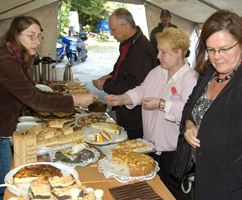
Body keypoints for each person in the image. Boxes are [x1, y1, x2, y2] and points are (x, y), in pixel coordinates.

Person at [0, 16, 98, 200]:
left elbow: (35, 91)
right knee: (8, 187)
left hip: (5, 129)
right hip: (1, 133)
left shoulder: (14, 57)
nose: (36, 41)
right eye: (31, 36)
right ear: (16, 35)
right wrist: (75, 99)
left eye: (39, 36)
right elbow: (36, 100)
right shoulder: (6, 62)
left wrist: (69, 97)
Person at [104, 27, 198, 200]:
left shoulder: (190, 78)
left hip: (173, 152)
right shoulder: (157, 72)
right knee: (153, 189)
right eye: (158, 51)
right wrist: (122, 99)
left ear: (178, 52)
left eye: (163, 52)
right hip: (151, 146)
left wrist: (161, 104)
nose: (157, 56)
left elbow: (188, 112)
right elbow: (142, 91)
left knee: (172, 192)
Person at [180, 10, 242, 200]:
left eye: (225, 49)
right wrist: (189, 124)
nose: (217, 57)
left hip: (229, 188)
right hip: (201, 179)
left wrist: (231, 178)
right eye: (211, 50)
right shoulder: (209, 72)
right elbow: (190, 106)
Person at [92, 8, 157, 140]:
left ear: (126, 27)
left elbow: (135, 86)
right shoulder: (127, 43)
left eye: (113, 30)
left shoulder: (140, 50)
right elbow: (122, 69)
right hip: (125, 111)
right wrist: (110, 76)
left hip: (134, 115)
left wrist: (107, 85)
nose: (111, 34)